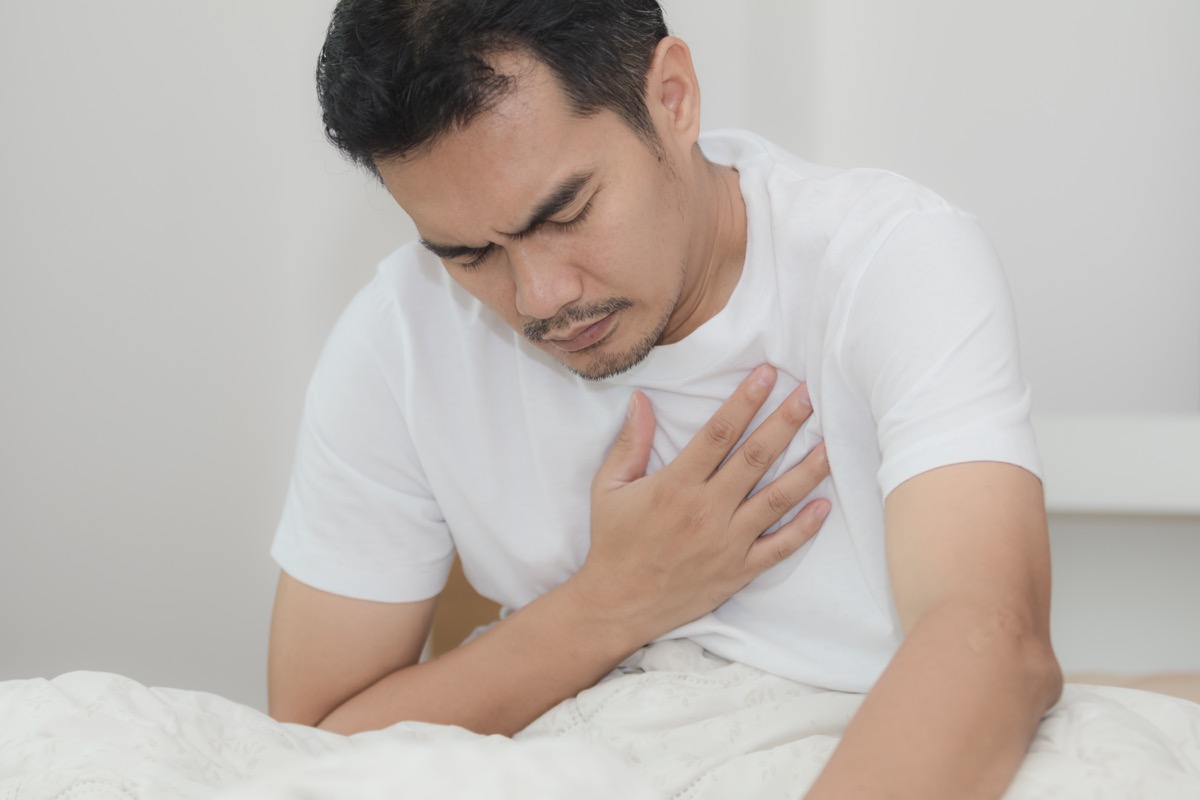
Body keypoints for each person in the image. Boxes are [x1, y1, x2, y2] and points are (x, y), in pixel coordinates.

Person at [267, 1, 1063, 797]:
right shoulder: (398, 340)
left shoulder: (887, 259)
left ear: (673, 98)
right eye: (468, 254)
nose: (541, 298)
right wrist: (608, 606)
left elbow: (992, 638)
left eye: (566, 213)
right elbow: (311, 736)